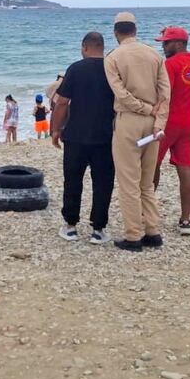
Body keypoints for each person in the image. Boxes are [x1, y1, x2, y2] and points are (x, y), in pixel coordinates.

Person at [104, 12, 170, 252]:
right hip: (153, 123)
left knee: (128, 181)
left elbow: (121, 94)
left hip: (129, 121)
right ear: (135, 30)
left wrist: (144, 108)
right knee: (146, 181)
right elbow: (165, 93)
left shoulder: (113, 57)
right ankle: (152, 231)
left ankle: (133, 236)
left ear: (116, 32)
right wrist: (159, 120)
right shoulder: (154, 54)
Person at [52, 32, 116, 244]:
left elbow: (62, 102)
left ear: (85, 47)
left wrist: (55, 129)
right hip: (105, 136)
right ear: (102, 47)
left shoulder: (76, 69)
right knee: (103, 183)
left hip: (76, 135)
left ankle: (70, 226)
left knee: (73, 181)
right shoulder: (112, 68)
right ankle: (98, 229)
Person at [153, 27, 190, 235]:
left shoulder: (170, 64)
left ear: (179, 43)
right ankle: (185, 220)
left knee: (153, 164)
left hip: (169, 122)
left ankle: (147, 212)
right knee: (185, 168)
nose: (163, 46)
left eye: (167, 42)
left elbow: (165, 94)